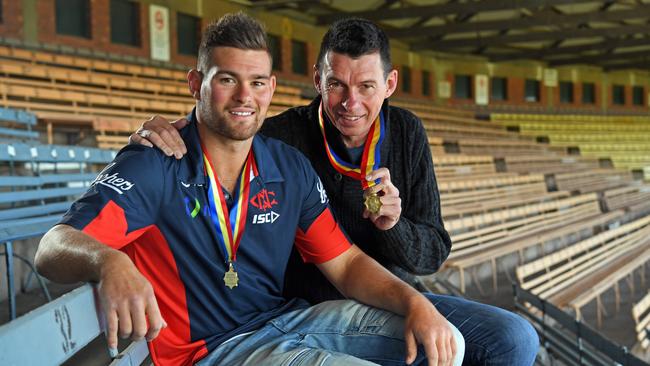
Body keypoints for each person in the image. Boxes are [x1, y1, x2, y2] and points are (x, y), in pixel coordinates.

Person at [35, 13, 464, 366]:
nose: (244, 96)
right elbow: (52, 247)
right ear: (195, 83)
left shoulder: (287, 165)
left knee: (446, 343)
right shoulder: (156, 162)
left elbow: (347, 264)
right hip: (213, 349)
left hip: (290, 321)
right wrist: (110, 262)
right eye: (227, 79)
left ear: (271, 88)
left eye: (257, 82)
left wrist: (415, 303)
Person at [130, 17, 539, 365]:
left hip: (386, 296)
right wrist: (160, 133)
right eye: (337, 85)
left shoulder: (407, 133)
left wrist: (393, 226)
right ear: (316, 80)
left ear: (390, 83)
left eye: (366, 86)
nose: (351, 103)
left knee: (515, 338)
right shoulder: (278, 140)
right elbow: (222, 129)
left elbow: (431, 254)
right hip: (306, 308)